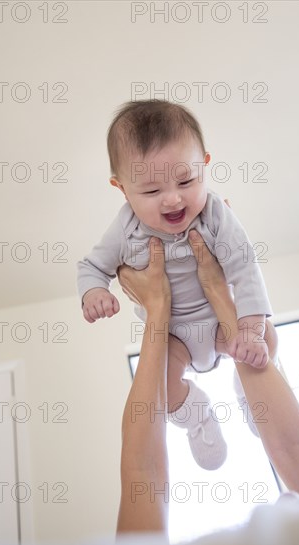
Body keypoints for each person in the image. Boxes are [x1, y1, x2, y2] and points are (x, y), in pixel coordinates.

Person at [77, 99, 274, 470]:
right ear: (122, 189)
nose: (172, 198)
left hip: (220, 324)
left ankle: (250, 396)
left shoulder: (216, 214)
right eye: (150, 191)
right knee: (158, 390)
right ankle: (198, 417)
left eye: (186, 180)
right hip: (174, 337)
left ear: (205, 166)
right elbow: (91, 267)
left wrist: (249, 328)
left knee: (268, 337)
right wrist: (94, 292)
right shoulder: (125, 229)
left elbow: (244, 265)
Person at [116, 232, 299, 535]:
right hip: (212, 330)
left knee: (164, 384)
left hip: (178, 335)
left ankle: (195, 414)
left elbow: (142, 473)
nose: (288, 497)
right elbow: (295, 446)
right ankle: (250, 396)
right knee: (263, 340)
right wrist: (220, 281)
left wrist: (156, 306)